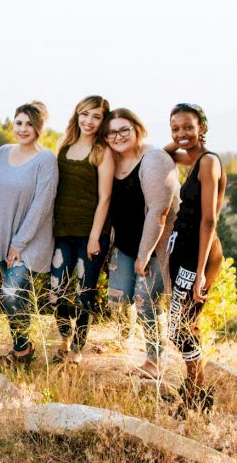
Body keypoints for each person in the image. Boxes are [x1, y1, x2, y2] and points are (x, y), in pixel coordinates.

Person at [100, 108, 179, 379]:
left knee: (145, 300)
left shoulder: (153, 158)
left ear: (137, 128)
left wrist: (144, 255)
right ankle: (130, 336)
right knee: (117, 299)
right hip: (124, 244)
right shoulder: (112, 159)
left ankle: (155, 361)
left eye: (124, 130)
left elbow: (159, 211)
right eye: (111, 132)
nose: (118, 136)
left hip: (155, 247)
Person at [164, 103, 226, 413]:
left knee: (182, 324)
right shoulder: (192, 157)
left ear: (202, 126)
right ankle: (194, 386)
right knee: (180, 323)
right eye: (175, 128)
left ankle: (196, 391)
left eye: (188, 126)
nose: (181, 133)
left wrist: (200, 271)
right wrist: (180, 141)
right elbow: (162, 156)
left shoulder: (208, 162)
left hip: (197, 253)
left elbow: (209, 221)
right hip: (183, 250)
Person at [0, 101, 58, 369]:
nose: (23, 128)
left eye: (30, 123)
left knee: (10, 292)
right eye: (19, 122)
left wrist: (18, 243)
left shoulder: (46, 159)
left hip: (30, 241)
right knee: (14, 298)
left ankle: (23, 349)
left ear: (39, 127)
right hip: (2, 238)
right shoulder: (4, 152)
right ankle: (22, 349)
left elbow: (42, 205)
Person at [50, 96, 113, 364]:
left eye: (96, 116)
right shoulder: (63, 146)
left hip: (90, 233)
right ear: (77, 115)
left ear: (103, 121)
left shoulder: (103, 152)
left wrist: (95, 237)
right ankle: (64, 337)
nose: (89, 121)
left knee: (84, 290)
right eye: (85, 114)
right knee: (57, 289)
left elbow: (105, 198)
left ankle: (77, 346)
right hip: (61, 231)